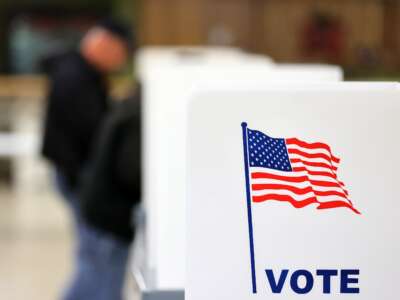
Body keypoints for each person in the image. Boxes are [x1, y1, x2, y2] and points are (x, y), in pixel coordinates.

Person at [41, 19, 132, 300]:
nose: (122, 60)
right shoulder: (75, 77)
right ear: (104, 44)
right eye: (121, 52)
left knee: (95, 256)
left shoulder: (80, 72)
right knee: (98, 256)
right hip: (80, 177)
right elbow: (93, 131)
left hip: (78, 175)